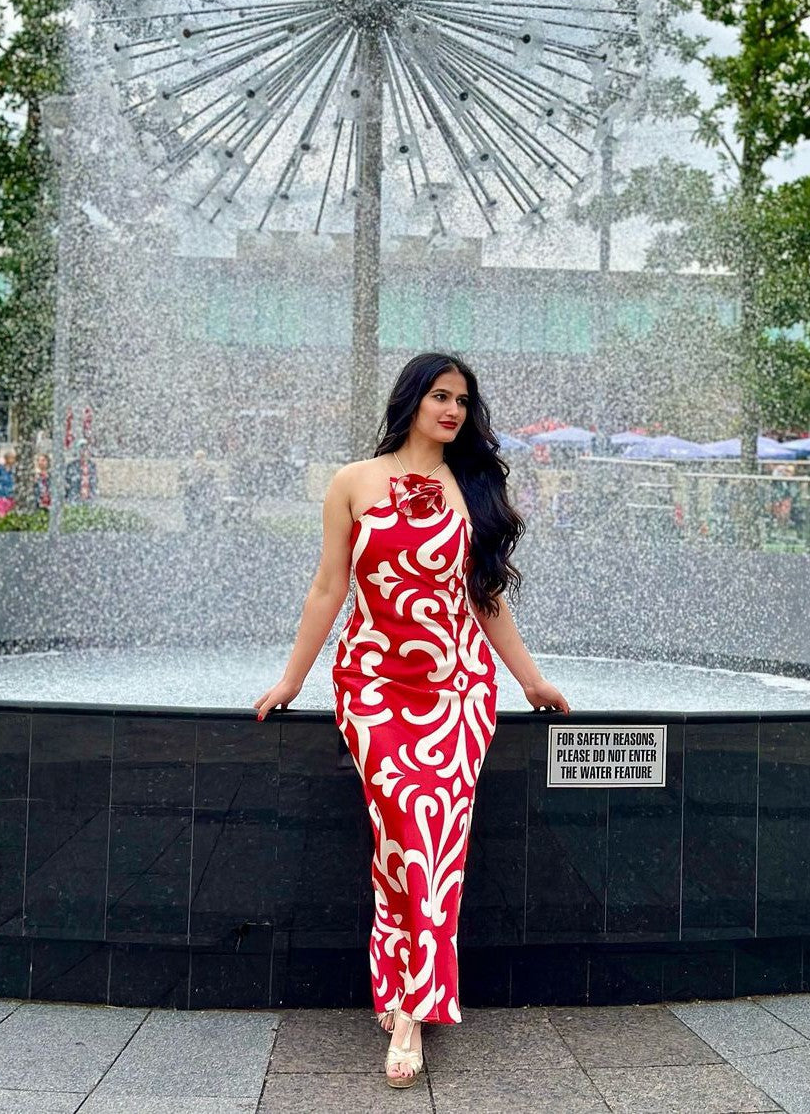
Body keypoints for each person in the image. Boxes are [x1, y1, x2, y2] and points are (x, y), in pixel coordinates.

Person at [253, 353, 569, 1089]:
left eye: (462, 400)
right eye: (439, 395)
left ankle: (408, 1009)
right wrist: (291, 678)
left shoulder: (474, 487)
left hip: (457, 690)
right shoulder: (352, 482)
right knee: (402, 833)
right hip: (372, 687)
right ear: (411, 400)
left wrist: (531, 680)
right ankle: (404, 987)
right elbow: (329, 586)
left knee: (433, 841)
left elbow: (486, 600)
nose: (453, 409)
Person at [182, 450, 219, 528]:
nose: (200, 461)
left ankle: (207, 523)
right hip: (194, 493)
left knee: (207, 511)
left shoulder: (209, 470)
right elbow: (185, 483)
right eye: (197, 458)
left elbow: (213, 483)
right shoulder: (190, 470)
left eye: (201, 458)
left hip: (205, 494)